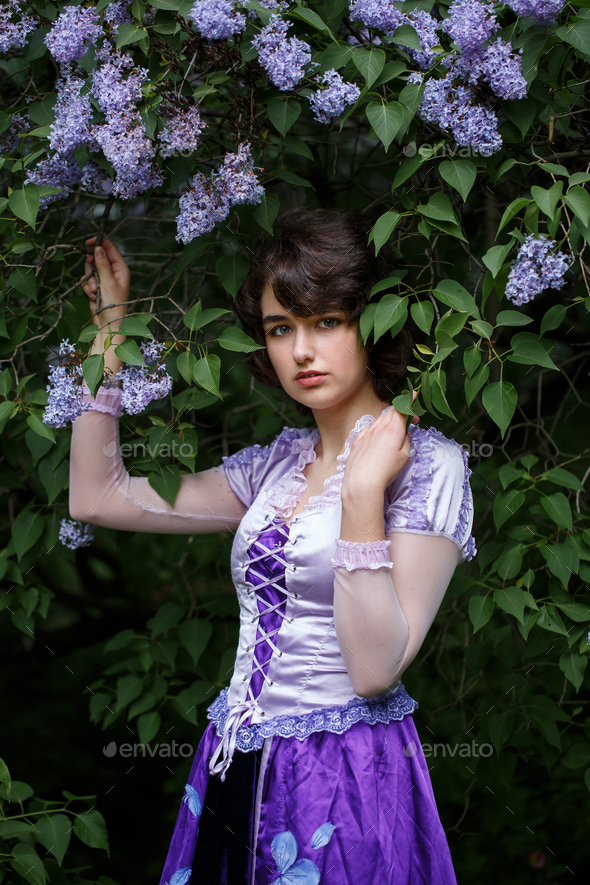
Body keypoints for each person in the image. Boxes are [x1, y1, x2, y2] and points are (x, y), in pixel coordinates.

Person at [71, 208, 476, 885]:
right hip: (235, 762)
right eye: (280, 329)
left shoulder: (430, 465)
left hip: (344, 778)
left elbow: (375, 671)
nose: (302, 351)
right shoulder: (278, 466)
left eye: (326, 321)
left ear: (368, 322)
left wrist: (360, 496)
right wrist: (109, 335)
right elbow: (96, 495)